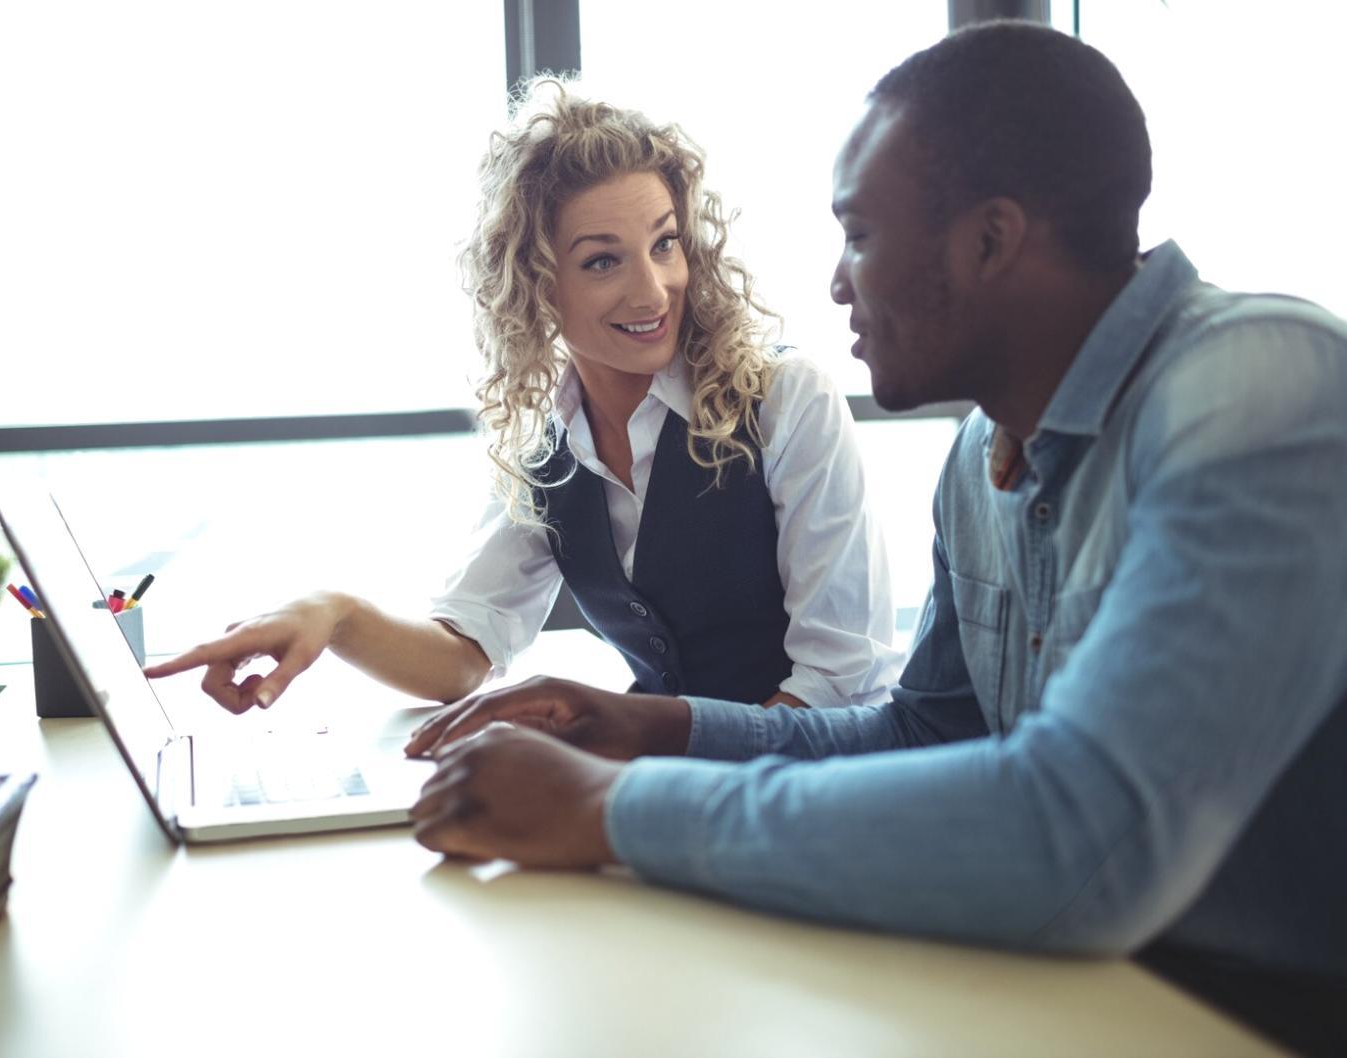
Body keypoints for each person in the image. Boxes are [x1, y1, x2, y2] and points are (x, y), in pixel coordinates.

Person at [404, 19, 1347, 994]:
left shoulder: (1253, 386)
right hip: (1091, 988)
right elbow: (918, 733)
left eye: (857, 234)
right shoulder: (984, 454)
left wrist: (613, 807)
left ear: (989, 240)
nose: (836, 280)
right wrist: (650, 727)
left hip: (1268, 1011)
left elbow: (1080, 836)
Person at [145, 80, 902, 713]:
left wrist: (650, 780)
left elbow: (841, 683)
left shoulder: (784, 399)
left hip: (803, 794)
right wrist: (335, 612)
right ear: (537, 284)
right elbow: (462, 657)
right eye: (603, 261)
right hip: (679, 790)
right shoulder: (551, 449)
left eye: (664, 244)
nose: (653, 289)